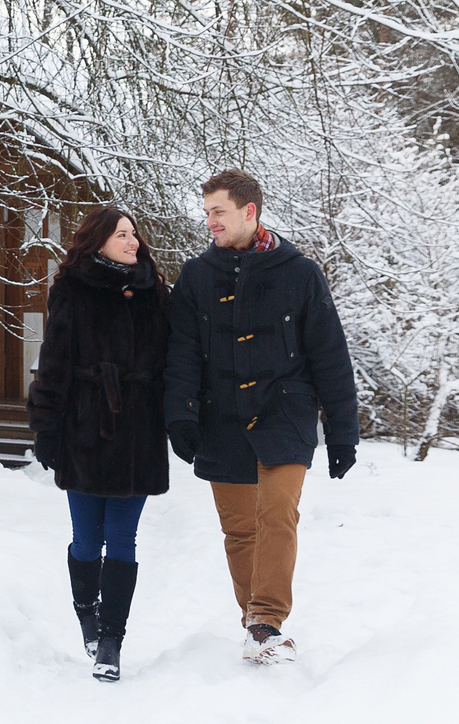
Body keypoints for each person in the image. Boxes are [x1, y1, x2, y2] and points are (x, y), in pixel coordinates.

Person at [161, 169, 357, 664]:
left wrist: (342, 432)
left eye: (218, 212)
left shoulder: (300, 274)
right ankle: (254, 626)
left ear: (250, 212)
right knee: (239, 530)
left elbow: (330, 355)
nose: (210, 222)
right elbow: (181, 352)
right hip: (219, 418)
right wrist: (180, 415)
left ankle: (267, 621)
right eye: (206, 212)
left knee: (277, 515)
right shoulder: (197, 276)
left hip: (284, 415)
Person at [27, 206, 170, 683]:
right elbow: (54, 361)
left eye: (134, 234)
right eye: (122, 235)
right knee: (88, 541)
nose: (132, 242)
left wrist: (181, 419)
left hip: (138, 433)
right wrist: (47, 426)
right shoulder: (72, 289)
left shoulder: (155, 292)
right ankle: (86, 610)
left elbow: (174, 365)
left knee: (123, 539)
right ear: (99, 241)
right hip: (85, 430)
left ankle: (111, 640)